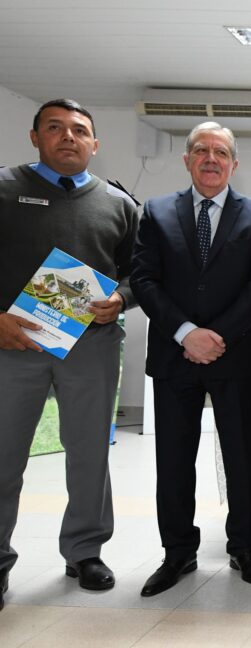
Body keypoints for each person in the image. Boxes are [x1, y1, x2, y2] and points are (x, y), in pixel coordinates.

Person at [0, 98, 138, 607]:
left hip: (91, 347)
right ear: (35, 136)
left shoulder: (118, 203)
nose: (68, 137)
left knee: (89, 454)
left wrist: (121, 299)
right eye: (55, 128)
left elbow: (139, 271)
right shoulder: (4, 187)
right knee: (3, 456)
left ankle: (85, 552)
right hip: (14, 344)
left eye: (79, 130)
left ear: (94, 144)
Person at [131, 121, 251, 597]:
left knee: (241, 458)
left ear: (234, 163)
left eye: (220, 152)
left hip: (235, 357)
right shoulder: (156, 212)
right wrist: (186, 333)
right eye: (201, 150)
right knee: (173, 460)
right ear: (187, 159)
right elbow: (144, 279)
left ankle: (244, 548)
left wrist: (217, 336)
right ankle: (178, 552)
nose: (211, 159)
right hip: (174, 357)